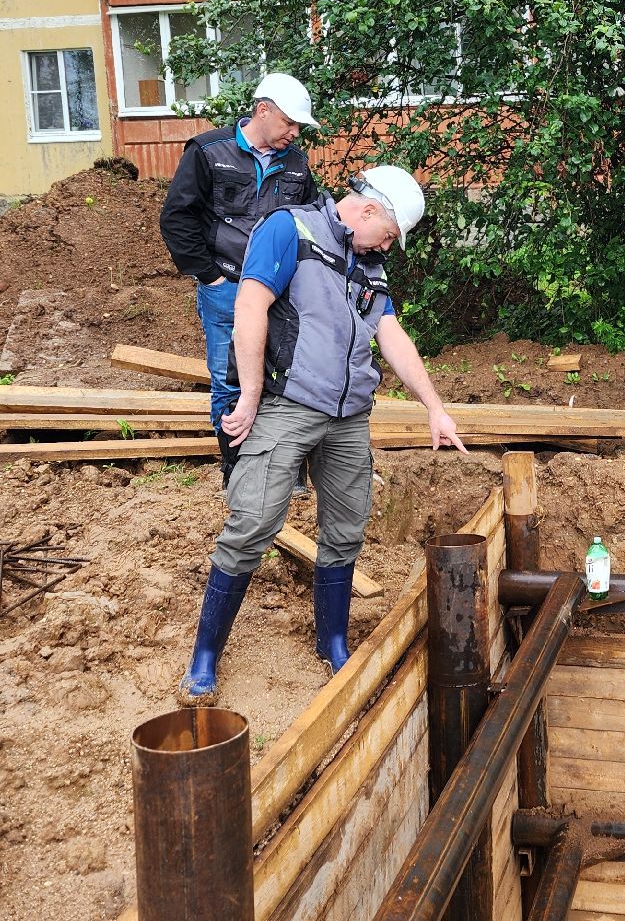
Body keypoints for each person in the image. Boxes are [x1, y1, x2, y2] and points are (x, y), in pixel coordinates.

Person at [177, 165, 467, 705]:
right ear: (370, 210)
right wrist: (248, 395)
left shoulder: (370, 265)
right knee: (253, 524)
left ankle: (332, 641)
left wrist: (435, 408)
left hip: (348, 416)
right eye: (391, 234)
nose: (389, 245)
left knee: (346, 526)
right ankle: (205, 658)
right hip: (289, 404)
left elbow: (391, 335)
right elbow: (250, 307)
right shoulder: (290, 230)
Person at [158, 73, 323, 454]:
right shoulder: (208, 152)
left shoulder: (297, 165)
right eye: (290, 123)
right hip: (227, 286)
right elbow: (177, 218)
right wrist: (210, 276)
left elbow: (310, 222)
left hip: (279, 295)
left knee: (281, 375)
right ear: (262, 111)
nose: (296, 132)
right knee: (230, 380)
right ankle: (237, 469)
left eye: (299, 125)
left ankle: (282, 467)